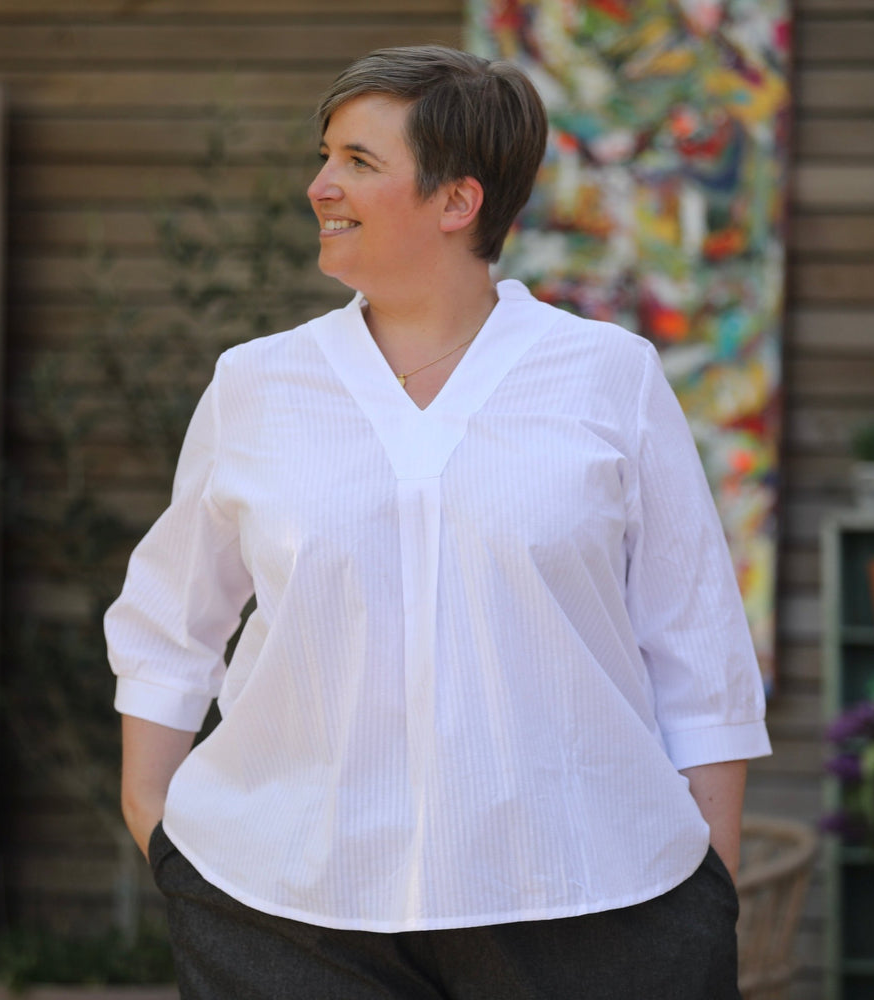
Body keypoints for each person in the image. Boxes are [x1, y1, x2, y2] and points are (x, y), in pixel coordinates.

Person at [105, 44, 771, 1000]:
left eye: (358, 161)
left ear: (459, 201)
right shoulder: (256, 384)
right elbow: (170, 622)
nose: (320, 185)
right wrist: (162, 828)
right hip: (285, 917)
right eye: (326, 156)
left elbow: (697, 646)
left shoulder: (608, 378)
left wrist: (708, 880)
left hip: (594, 908)